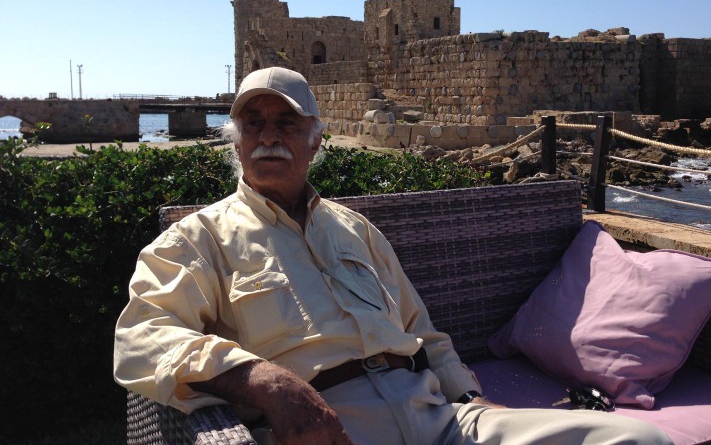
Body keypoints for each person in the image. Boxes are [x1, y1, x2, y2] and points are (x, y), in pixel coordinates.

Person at [114, 67, 673, 445]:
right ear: (235, 142)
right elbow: (140, 339)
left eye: (287, 123)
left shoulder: (355, 229)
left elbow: (422, 331)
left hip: (441, 422)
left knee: (640, 439)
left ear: (316, 139)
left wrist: (473, 399)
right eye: (253, 124)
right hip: (329, 428)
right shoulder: (198, 239)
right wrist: (261, 379)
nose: (268, 137)